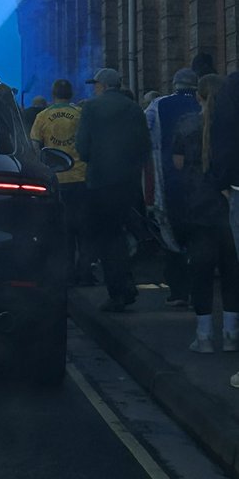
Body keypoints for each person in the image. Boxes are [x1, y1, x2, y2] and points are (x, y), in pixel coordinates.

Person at [170, 73, 239, 353]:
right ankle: (232, 334)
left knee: (200, 271)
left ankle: (204, 336)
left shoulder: (186, 124)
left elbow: (177, 165)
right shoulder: (230, 126)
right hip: (228, 202)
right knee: (232, 270)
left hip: (197, 206)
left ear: (198, 95)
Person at [75, 67, 151, 313]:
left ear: (104, 85)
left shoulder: (91, 108)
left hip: (100, 182)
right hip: (128, 182)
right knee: (119, 233)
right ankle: (125, 285)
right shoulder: (134, 108)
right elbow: (144, 146)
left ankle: (119, 291)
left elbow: (82, 148)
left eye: (95, 84)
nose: (94, 88)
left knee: (107, 238)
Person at [146, 68, 201, 308]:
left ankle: (178, 291)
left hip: (167, 179)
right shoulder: (206, 105)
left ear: (174, 84)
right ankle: (200, 291)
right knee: (201, 237)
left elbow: (144, 134)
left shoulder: (158, 105)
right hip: (203, 183)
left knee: (172, 236)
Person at [30, 79, 91, 284]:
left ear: (53, 93)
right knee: (83, 229)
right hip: (81, 177)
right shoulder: (80, 115)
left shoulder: (43, 116)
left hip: (56, 180)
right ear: (71, 93)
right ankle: (85, 272)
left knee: (63, 231)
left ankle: (66, 274)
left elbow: (36, 147)